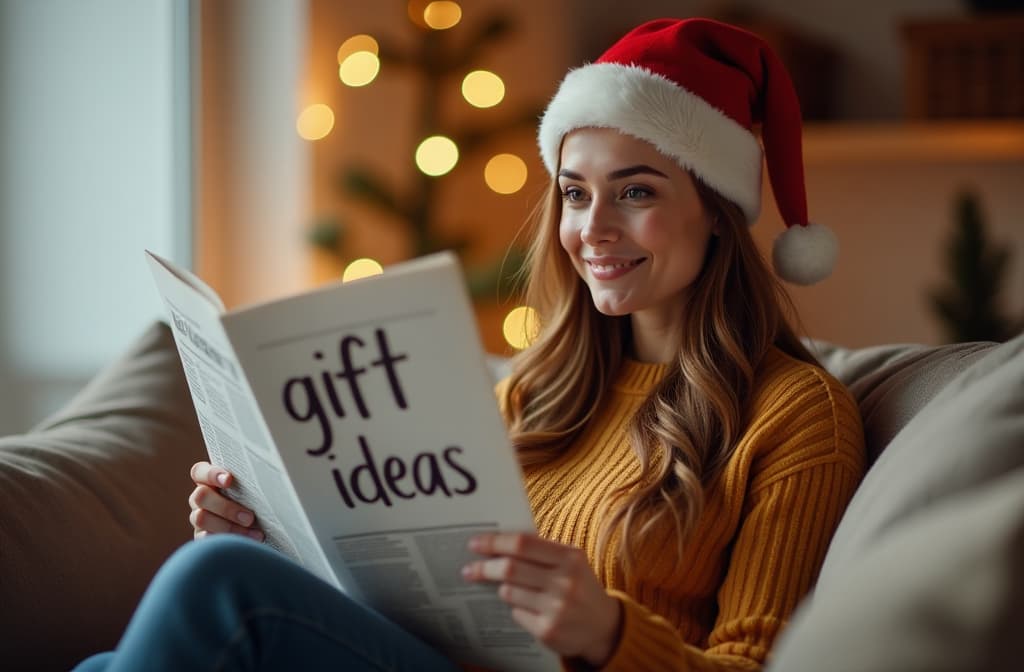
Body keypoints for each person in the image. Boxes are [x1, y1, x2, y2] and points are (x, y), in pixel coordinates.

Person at [75, 17, 865, 672]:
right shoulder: (536, 389)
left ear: (717, 212)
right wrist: (270, 535)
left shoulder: (796, 417)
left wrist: (609, 633)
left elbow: (755, 663)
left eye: (636, 191)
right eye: (575, 193)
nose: (594, 228)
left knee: (217, 589)